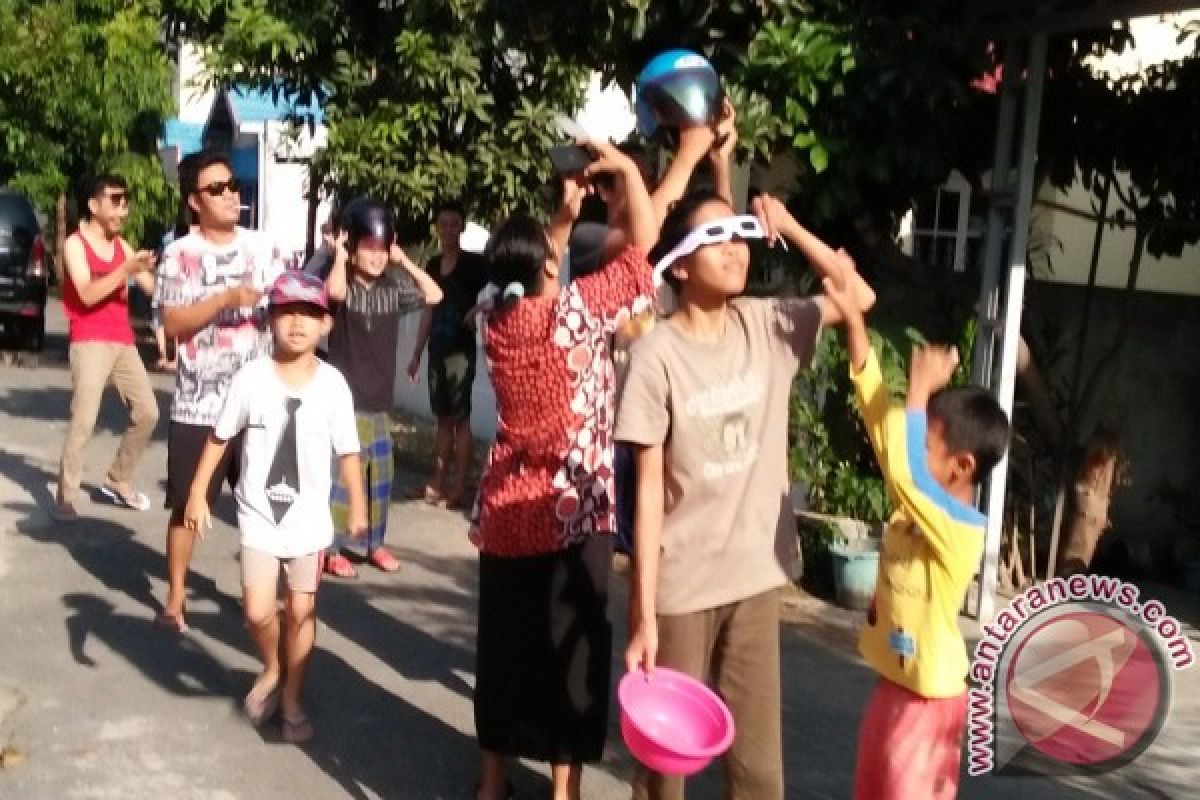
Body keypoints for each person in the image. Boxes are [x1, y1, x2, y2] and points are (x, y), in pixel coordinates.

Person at [615, 191, 875, 800]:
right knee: (664, 768)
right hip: (683, 589)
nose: (735, 248)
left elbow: (857, 297)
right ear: (678, 264)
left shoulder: (769, 324)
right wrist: (642, 612)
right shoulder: (656, 356)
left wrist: (789, 224)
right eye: (715, 238)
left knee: (759, 774)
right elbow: (648, 492)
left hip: (756, 579)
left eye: (740, 235)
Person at [469, 141, 658, 800]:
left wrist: (563, 211)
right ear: (549, 266)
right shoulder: (575, 317)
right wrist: (630, 175)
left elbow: (531, 264)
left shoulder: (493, 319)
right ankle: (563, 790)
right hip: (572, 513)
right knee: (570, 662)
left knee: (504, 652)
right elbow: (642, 251)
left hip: (504, 514)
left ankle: (491, 782)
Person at [819, 277, 1010, 800]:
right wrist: (856, 324)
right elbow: (883, 425)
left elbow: (903, 472)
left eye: (926, 442)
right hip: (894, 686)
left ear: (961, 467)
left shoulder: (960, 526)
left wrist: (921, 391)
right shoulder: (918, 497)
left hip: (932, 698)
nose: (911, 448)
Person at [182, 271, 368, 744]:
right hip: (259, 515)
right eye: (287, 314)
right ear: (269, 321)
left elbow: (348, 451)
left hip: (308, 519)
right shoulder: (250, 380)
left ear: (326, 324)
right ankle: (272, 666)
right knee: (258, 612)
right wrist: (198, 494)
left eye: (309, 314)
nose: (298, 324)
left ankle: (291, 700)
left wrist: (358, 508)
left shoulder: (333, 385)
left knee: (302, 611)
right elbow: (219, 438)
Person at [154, 150, 283, 632]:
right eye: (217, 189)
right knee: (188, 503)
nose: (230, 195)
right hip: (199, 403)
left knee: (267, 504)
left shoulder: (265, 246)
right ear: (194, 201)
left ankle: (267, 596)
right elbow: (172, 322)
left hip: (261, 403)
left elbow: (287, 306)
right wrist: (227, 297)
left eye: (232, 185)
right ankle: (175, 597)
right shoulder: (179, 254)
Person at [321, 199, 444, 578]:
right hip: (347, 402)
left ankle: (375, 543)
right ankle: (332, 549)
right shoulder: (343, 287)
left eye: (380, 250)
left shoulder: (392, 289)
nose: (374, 258)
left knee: (380, 480)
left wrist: (402, 259)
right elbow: (336, 293)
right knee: (343, 479)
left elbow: (434, 295)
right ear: (353, 248)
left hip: (379, 403)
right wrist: (340, 256)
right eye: (367, 249)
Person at [52, 174, 161, 521]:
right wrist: (124, 271)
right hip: (89, 340)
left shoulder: (122, 245)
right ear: (93, 205)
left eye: (125, 200)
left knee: (148, 412)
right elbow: (85, 294)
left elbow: (150, 288)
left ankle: (118, 478)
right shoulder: (74, 244)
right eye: (115, 200)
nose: (122, 207)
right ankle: (66, 496)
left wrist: (151, 271)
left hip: (123, 341)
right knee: (84, 419)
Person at [407, 200, 488, 509]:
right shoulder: (432, 265)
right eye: (444, 224)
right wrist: (416, 352)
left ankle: (458, 486)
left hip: (460, 350)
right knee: (442, 418)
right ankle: (437, 481)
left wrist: (477, 309)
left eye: (454, 223)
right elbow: (428, 309)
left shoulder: (475, 265)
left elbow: (499, 289)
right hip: (436, 349)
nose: (449, 229)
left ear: (463, 228)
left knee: (461, 419)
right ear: (437, 228)